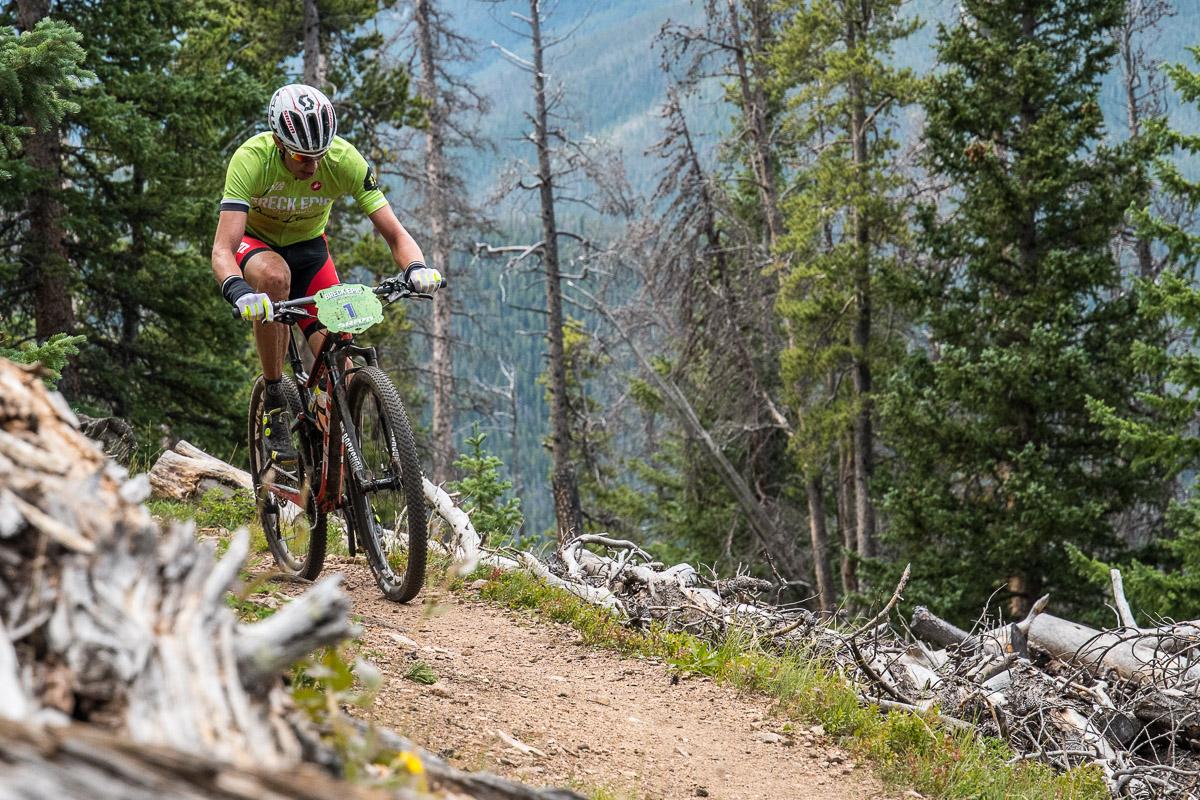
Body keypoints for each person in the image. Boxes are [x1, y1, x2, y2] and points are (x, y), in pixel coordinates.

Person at [211, 84, 442, 464]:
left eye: (320, 155)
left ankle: (327, 461)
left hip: (310, 253)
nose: (313, 165)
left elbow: (396, 233)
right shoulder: (252, 159)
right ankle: (273, 397)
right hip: (255, 247)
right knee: (274, 277)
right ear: (280, 143)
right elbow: (223, 248)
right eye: (304, 155)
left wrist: (416, 268)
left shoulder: (344, 159)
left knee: (343, 367)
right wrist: (238, 291)